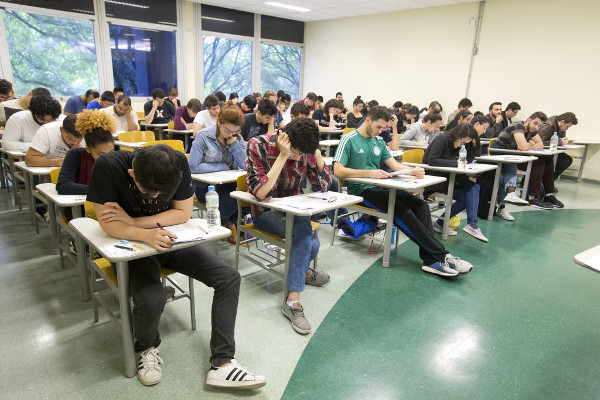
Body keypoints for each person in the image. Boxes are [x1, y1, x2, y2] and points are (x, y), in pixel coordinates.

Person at [86, 144, 265, 388]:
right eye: (150, 192)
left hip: (171, 240)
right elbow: (109, 225)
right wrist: (145, 235)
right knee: (152, 299)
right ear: (132, 175)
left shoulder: (176, 162)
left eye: (163, 194)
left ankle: (222, 363)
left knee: (229, 277)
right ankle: (147, 348)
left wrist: (134, 221)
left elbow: (182, 214)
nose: (157, 198)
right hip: (133, 249)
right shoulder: (108, 166)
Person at [333, 106, 473, 277]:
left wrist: (411, 170)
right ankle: (441, 256)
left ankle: (431, 260)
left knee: (421, 205)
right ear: (368, 120)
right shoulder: (349, 139)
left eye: (383, 128)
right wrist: (369, 173)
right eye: (379, 127)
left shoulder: (377, 141)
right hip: (362, 191)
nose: (380, 131)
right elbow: (338, 171)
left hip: (383, 186)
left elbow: (395, 165)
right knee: (401, 211)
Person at [246, 118, 333, 334]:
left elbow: (324, 185)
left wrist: (318, 156)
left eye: (301, 154)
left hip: (294, 211)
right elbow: (260, 192)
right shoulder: (258, 145)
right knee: (307, 238)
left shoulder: (305, 150)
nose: (297, 157)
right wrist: (283, 156)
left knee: (310, 243)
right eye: (294, 151)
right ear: (283, 135)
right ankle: (293, 300)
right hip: (265, 213)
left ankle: (301, 272)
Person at [189, 102, 247, 242]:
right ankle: (228, 223)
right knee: (229, 200)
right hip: (206, 188)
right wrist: (223, 167)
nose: (230, 134)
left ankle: (228, 221)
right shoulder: (203, 136)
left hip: (229, 184)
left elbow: (245, 165)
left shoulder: (236, 138)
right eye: (227, 130)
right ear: (219, 122)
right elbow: (193, 167)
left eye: (235, 131)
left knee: (249, 199)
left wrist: (234, 143)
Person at [423, 124, 488, 242]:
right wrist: (455, 163)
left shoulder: (457, 144)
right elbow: (432, 160)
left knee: (474, 187)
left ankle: (471, 224)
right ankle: (443, 223)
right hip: (435, 178)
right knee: (465, 198)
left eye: (466, 143)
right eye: (462, 141)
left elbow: (469, 158)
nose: (462, 145)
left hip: (450, 177)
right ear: (457, 135)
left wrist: (475, 142)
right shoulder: (442, 139)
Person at [491, 112, 559, 214]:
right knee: (510, 167)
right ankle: (509, 196)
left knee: (545, 160)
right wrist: (531, 143)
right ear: (528, 120)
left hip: (511, 156)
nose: (536, 127)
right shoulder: (518, 126)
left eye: (539, 125)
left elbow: (540, 145)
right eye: (535, 123)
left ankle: (505, 203)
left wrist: (529, 144)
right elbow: (522, 147)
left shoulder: (532, 131)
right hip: (498, 154)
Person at [57, 110, 115, 195]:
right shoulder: (75, 155)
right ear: (88, 148)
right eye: (101, 154)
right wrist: (100, 190)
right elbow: (62, 186)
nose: (107, 157)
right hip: (79, 205)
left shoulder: (118, 158)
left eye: (111, 152)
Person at [535, 112, 578, 180]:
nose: (567, 129)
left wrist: (563, 140)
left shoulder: (561, 127)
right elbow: (539, 142)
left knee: (568, 159)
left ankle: (548, 182)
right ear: (562, 122)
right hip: (540, 152)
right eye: (567, 126)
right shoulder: (549, 125)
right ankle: (545, 181)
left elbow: (560, 139)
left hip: (550, 150)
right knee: (563, 161)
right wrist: (560, 142)